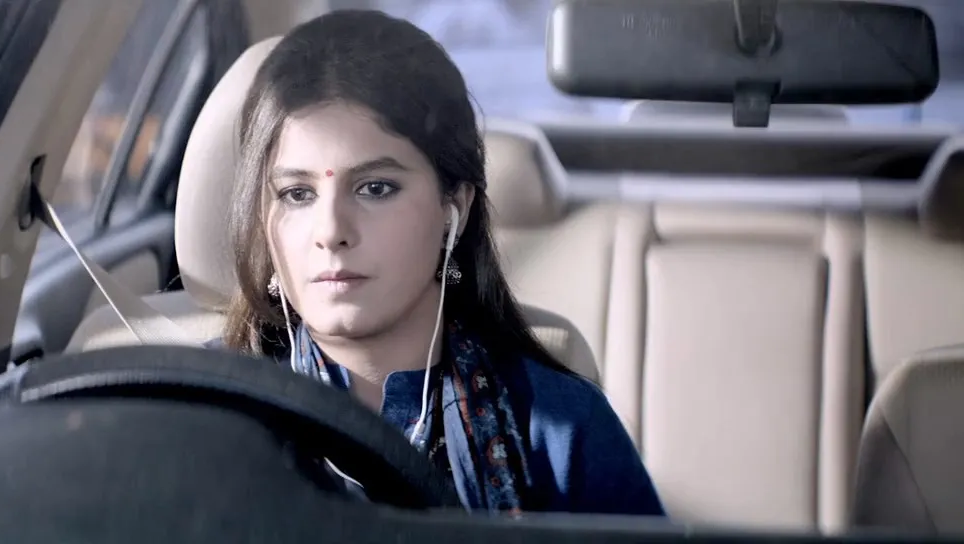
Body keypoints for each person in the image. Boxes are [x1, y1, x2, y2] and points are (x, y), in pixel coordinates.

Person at [216, 9, 664, 517]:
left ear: (455, 208)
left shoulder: (559, 430)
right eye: (297, 194)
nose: (331, 232)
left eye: (375, 188)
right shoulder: (195, 411)